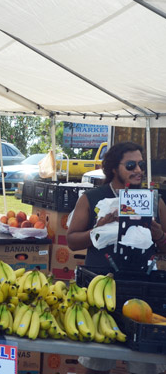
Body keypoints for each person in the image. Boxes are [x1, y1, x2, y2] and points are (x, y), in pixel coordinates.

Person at [68, 142, 166, 374]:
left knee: (145, 365)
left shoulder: (153, 201)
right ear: (114, 168)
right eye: (131, 165)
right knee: (96, 361)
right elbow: (72, 241)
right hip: (100, 285)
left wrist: (158, 234)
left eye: (141, 164)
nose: (138, 170)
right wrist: (97, 230)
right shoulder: (92, 198)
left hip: (144, 287)